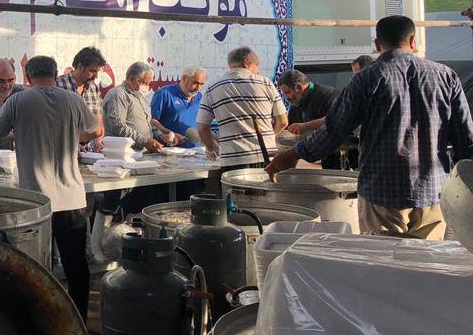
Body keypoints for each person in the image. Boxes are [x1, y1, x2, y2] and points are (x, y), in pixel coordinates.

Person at [267, 15, 473, 239]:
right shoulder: (446, 77)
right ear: (413, 41)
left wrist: (294, 153)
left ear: (377, 44)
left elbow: (334, 130)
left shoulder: (367, 79)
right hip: (432, 193)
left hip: (381, 194)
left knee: (381, 258)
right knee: (427, 259)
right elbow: (465, 139)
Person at [0, 56, 103, 318]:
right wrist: (72, 135)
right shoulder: (73, 100)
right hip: (71, 198)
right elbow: (96, 131)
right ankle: (78, 320)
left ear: (27, 77)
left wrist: (19, 131)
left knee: (37, 266)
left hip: (36, 203)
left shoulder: (18, 100)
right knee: (76, 266)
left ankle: (41, 320)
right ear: (56, 74)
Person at [197, 46, 288, 174]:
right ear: (247, 62)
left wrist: (211, 147)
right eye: (257, 65)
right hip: (266, 156)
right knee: (265, 187)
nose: (258, 70)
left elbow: (202, 127)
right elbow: (283, 121)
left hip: (232, 160)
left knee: (235, 187)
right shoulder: (265, 83)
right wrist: (268, 137)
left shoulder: (212, 88)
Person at [103, 61, 165, 152]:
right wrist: (144, 141)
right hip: (123, 153)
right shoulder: (118, 94)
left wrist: (161, 136)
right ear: (132, 79)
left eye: (148, 83)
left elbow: (147, 124)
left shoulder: (139, 96)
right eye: (144, 83)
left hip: (142, 152)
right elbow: (118, 126)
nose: (147, 86)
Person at [56, 47, 106, 148]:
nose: (95, 76)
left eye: (97, 72)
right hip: (64, 147)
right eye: (92, 71)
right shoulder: (58, 85)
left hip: (88, 149)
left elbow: (98, 120)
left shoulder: (93, 88)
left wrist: (98, 142)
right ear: (80, 67)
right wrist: (72, 143)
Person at [150, 66, 206, 146]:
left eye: (201, 84)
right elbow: (152, 121)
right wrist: (170, 133)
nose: (198, 88)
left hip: (194, 150)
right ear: (184, 78)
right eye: (195, 83)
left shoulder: (199, 96)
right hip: (169, 149)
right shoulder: (164, 93)